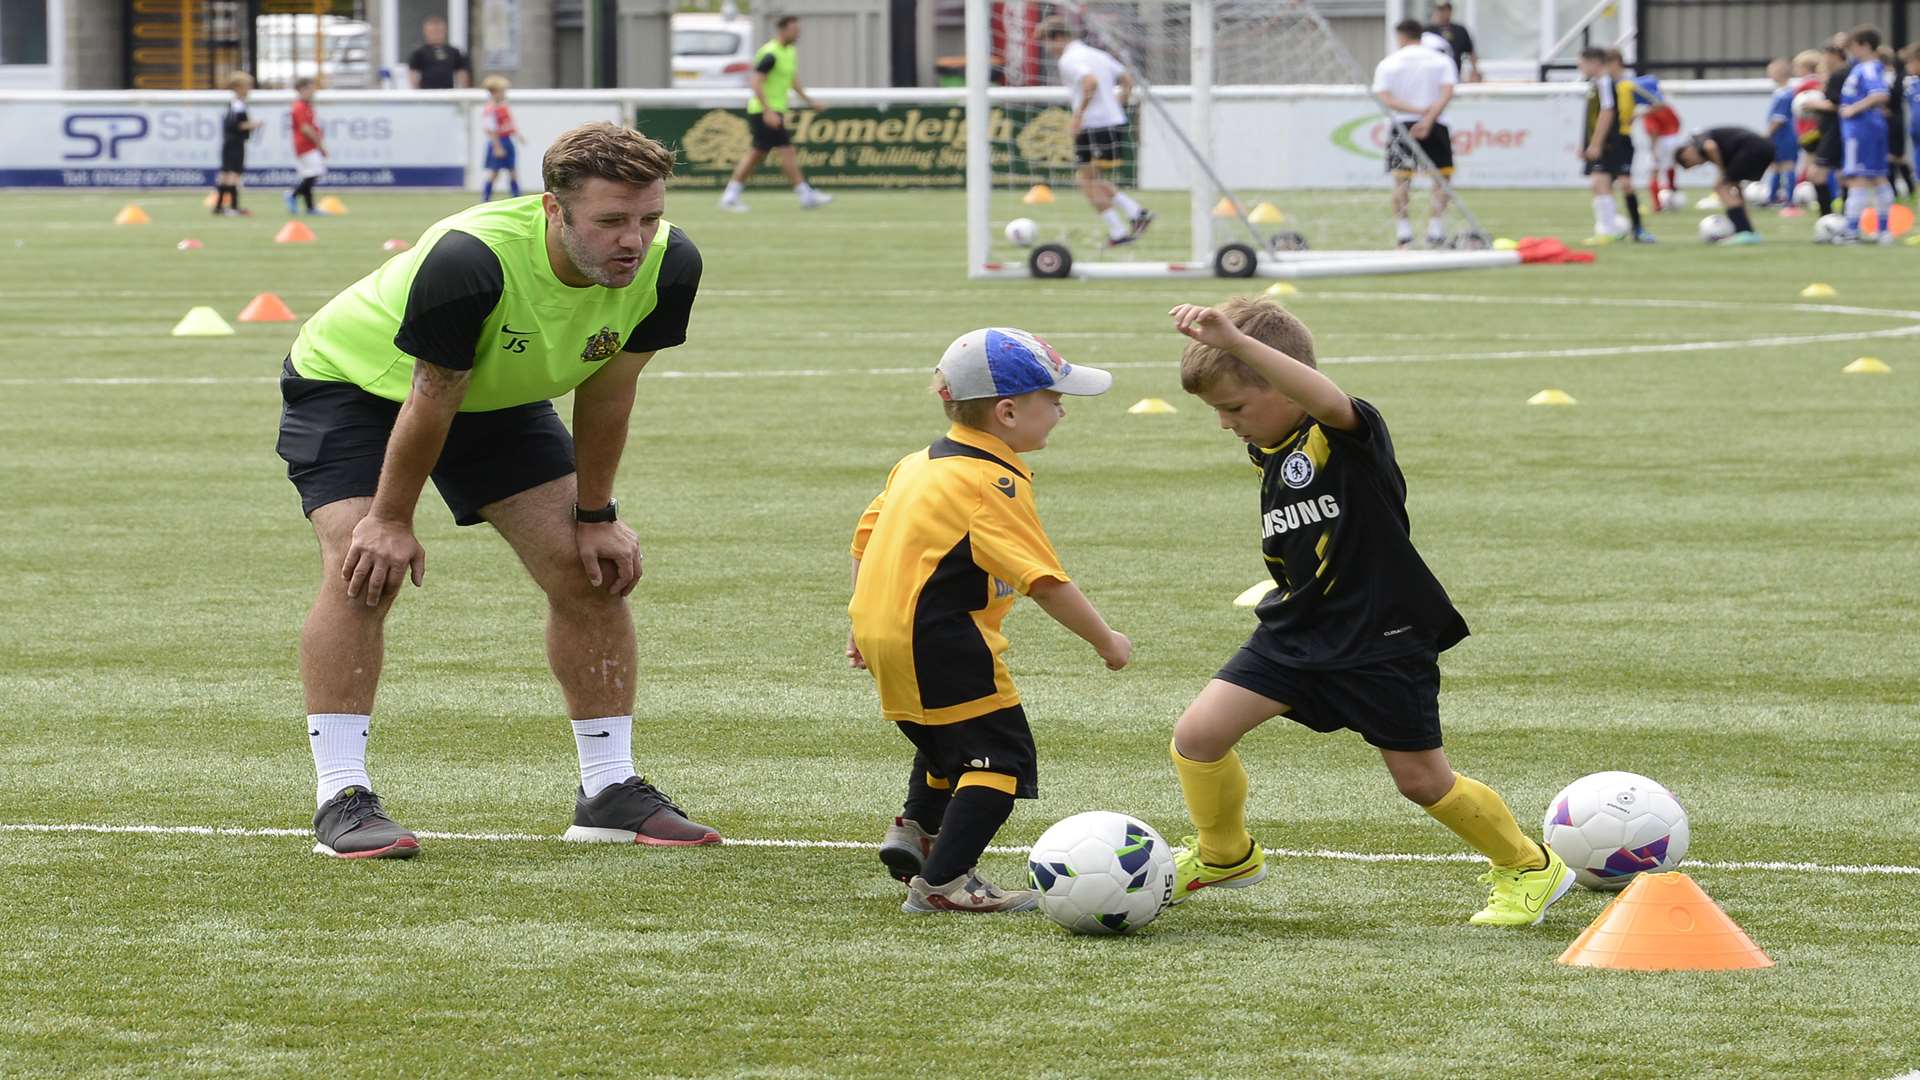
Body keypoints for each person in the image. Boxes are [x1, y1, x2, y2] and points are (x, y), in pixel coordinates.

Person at [276, 122, 712, 858]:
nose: (633, 241)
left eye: (648, 217)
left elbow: (610, 390)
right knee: (363, 569)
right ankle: (341, 797)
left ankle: (609, 790)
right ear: (553, 209)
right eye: (610, 221)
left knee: (586, 568)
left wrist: (597, 514)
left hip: (497, 397)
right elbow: (429, 398)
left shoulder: (671, 264)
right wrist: (388, 518)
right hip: (357, 387)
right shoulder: (470, 260)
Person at [1161, 296, 1574, 927]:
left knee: (1422, 782)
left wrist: (1239, 345)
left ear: (1281, 381)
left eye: (1234, 408)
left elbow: (1325, 398)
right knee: (1198, 736)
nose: (1225, 425)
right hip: (1297, 629)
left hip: (1382, 636)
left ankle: (1527, 865)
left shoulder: (1344, 435)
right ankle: (1225, 855)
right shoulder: (1270, 444)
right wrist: (1234, 361)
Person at [848, 328, 1128, 913]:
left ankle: (919, 828)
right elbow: (1045, 581)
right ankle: (945, 884)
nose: (1061, 412)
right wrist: (1107, 640)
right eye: (1053, 399)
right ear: (1007, 411)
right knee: (1000, 757)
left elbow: (865, 540)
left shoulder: (920, 462)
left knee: (950, 733)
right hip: (940, 638)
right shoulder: (988, 482)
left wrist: (861, 619)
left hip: (888, 631)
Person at [1040, 21, 1154, 246]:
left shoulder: (1069, 59)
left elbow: (1089, 82)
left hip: (1095, 126)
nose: (1048, 50)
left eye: (1047, 43)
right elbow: (1127, 80)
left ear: (1057, 37)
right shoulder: (1097, 54)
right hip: (1112, 124)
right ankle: (1136, 214)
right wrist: (1117, 104)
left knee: (1085, 182)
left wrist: (1078, 115)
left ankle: (1119, 232)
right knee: (1091, 179)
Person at [718, 16, 830, 212]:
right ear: (782, 30)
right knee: (784, 150)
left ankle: (731, 195)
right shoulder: (771, 53)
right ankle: (805, 194)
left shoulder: (790, 52)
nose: (798, 33)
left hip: (773, 110)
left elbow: (792, 80)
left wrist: (809, 101)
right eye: (794, 30)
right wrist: (768, 111)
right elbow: (755, 82)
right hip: (763, 111)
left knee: (758, 153)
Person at [1372, 19, 1458, 249]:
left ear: (1400, 36)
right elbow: (1448, 92)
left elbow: (1384, 97)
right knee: (1441, 180)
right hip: (1436, 122)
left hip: (1402, 124)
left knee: (1401, 180)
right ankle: (1436, 232)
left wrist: (1414, 111)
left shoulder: (1389, 63)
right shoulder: (1441, 60)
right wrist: (1428, 118)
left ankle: (1404, 235)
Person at [1578, 48, 1649, 243]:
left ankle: (1612, 230)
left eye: (1582, 63)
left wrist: (1596, 143)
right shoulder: (1596, 84)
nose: (1580, 67)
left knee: (1604, 183)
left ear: (1594, 62)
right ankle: (1610, 229)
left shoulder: (1605, 82)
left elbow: (1607, 112)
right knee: (1600, 184)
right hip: (1607, 142)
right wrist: (1585, 143)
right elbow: (1593, 118)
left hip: (1613, 143)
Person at [1836, 26, 1894, 244]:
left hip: (1861, 130)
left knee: (1857, 178)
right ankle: (1883, 230)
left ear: (1865, 46)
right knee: (1878, 177)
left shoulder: (1868, 68)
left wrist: (1853, 109)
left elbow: (1879, 94)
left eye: (1853, 47)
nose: (1850, 51)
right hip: (1871, 128)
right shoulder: (1864, 66)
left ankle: (1851, 231)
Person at [1676, 128, 1772, 244]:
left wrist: (1721, 170)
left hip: (1751, 148)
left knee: (1720, 187)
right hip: (1764, 148)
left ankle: (1743, 232)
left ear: (1686, 154)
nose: (1699, 164)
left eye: (1693, 164)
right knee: (1731, 187)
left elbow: (1710, 147)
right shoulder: (1725, 151)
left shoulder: (1697, 139)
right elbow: (1736, 188)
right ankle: (1749, 232)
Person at [1803, 38, 1853, 221]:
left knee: (1815, 174)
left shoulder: (1839, 75)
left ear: (1834, 55)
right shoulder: (1845, 73)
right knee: (1843, 176)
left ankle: (1827, 218)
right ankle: (1845, 219)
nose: (1824, 59)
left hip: (1834, 131)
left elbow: (1837, 105)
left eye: (1826, 55)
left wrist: (1813, 103)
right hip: (1836, 131)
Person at [1630, 73, 1684, 210]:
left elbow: (1653, 131)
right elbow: (1678, 122)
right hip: (1673, 138)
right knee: (1671, 167)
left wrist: (1654, 149)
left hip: (1661, 141)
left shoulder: (1648, 111)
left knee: (1654, 171)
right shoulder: (1665, 106)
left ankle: (1657, 205)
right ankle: (1671, 194)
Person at [212, 72, 258, 216]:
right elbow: (237, 125)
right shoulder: (239, 105)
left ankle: (219, 206)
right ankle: (233, 206)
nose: (249, 90)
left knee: (225, 174)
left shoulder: (233, 103)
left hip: (228, 142)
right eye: (247, 86)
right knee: (234, 174)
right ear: (238, 87)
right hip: (235, 143)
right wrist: (253, 124)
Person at [283, 78, 328, 216]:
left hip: (307, 145)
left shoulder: (306, 105)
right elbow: (305, 128)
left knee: (309, 174)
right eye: (310, 88)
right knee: (315, 173)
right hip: (305, 145)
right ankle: (293, 194)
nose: (313, 92)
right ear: (302, 89)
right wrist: (319, 144)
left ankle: (310, 207)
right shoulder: (299, 107)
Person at [1764, 59, 1800, 207]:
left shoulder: (1785, 94)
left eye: (1771, 71)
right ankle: (1772, 197)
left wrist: (1766, 134)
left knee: (1787, 165)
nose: (1769, 74)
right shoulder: (1781, 92)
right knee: (1776, 165)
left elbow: (1778, 119)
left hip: (1784, 135)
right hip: (1781, 135)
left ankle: (1789, 200)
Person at [480, 75, 522, 202]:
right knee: (494, 173)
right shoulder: (490, 110)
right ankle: (485, 199)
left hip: (507, 140)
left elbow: (509, 124)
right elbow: (491, 130)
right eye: (502, 91)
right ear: (494, 92)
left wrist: (518, 135)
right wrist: (497, 146)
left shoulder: (503, 107)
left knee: (512, 170)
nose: (505, 94)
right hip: (498, 142)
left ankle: (517, 198)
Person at [1879, 46, 1911, 198]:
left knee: (1892, 156)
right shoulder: (1894, 75)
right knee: (1897, 156)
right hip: (1895, 118)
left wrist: (1886, 108)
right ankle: (1907, 188)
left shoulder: (1889, 76)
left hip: (1893, 119)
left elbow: (1892, 97)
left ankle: (1896, 190)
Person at [408, 15, 471, 90]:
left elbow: (462, 74)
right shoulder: (419, 53)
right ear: (426, 32)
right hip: (427, 93)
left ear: (445, 31)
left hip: (449, 93)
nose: (436, 34)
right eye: (432, 31)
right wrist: (418, 94)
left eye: (438, 31)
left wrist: (462, 92)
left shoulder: (454, 52)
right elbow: (413, 75)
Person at [1425, 2, 1479, 83]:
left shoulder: (1460, 30)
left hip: (1454, 76)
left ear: (1450, 11)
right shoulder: (1428, 31)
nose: (1440, 13)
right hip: (1431, 77)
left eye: (1444, 10)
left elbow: (1470, 52)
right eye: (1438, 10)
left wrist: (1474, 71)